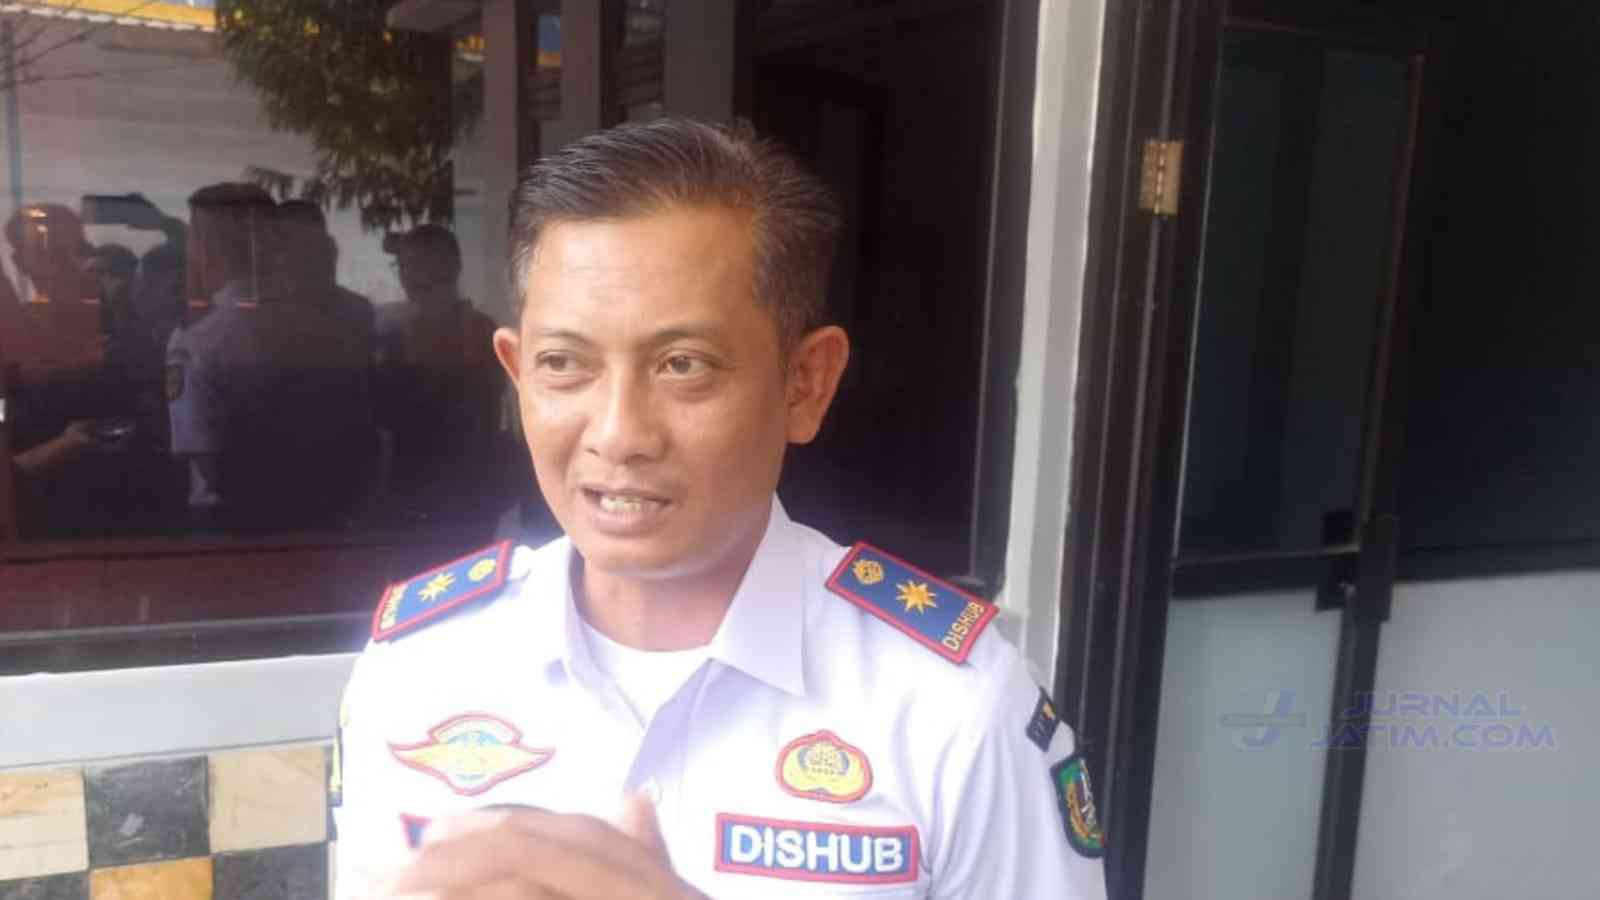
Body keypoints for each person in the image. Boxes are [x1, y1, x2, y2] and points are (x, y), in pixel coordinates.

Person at [333, 119, 1107, 899]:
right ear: (516, 373)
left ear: (805, 383)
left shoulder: (951, 706)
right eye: (564, 363)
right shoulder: (417, 669)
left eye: (683, 365)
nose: (619, 434)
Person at [166, 183, 374, 528]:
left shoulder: (197, 338)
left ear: (205, 247)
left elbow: (205, 460)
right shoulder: (340, 323)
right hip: (336, 521)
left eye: (193, 237)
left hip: (236, 530)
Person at [374, 223, 504, 522]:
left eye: (419, 263)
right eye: (403, 266)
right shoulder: (392, 334)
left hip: (470, 493)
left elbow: (478, 412)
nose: (409, 275)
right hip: (407, 493)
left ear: (451, 267)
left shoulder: (480, 333)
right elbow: (384, 415)